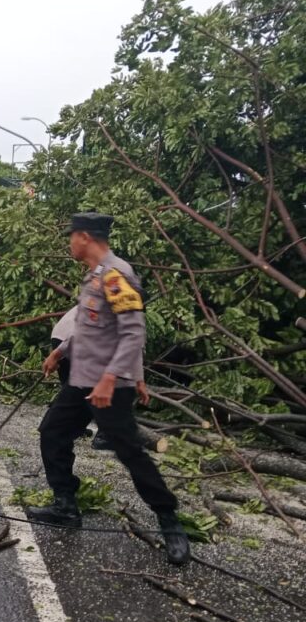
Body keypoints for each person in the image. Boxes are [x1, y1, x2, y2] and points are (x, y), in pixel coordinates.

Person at [33, 212, 190, 565]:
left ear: (85, 237)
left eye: (71, 236)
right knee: (52, 433)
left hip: (108, 386)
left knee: (129, 451)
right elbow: (91, 328)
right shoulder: (95, 276)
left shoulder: (117, 275)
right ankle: (65, 505)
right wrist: (60, 352)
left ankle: (169, 521)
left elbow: (133, 333)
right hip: (82, 382)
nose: (69, 243)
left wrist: (112, 378)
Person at [51, 306, 111, 450]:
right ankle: (103, 436)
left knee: (72, 388)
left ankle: (71, 428)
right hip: (74, 338)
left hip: (60, 335)